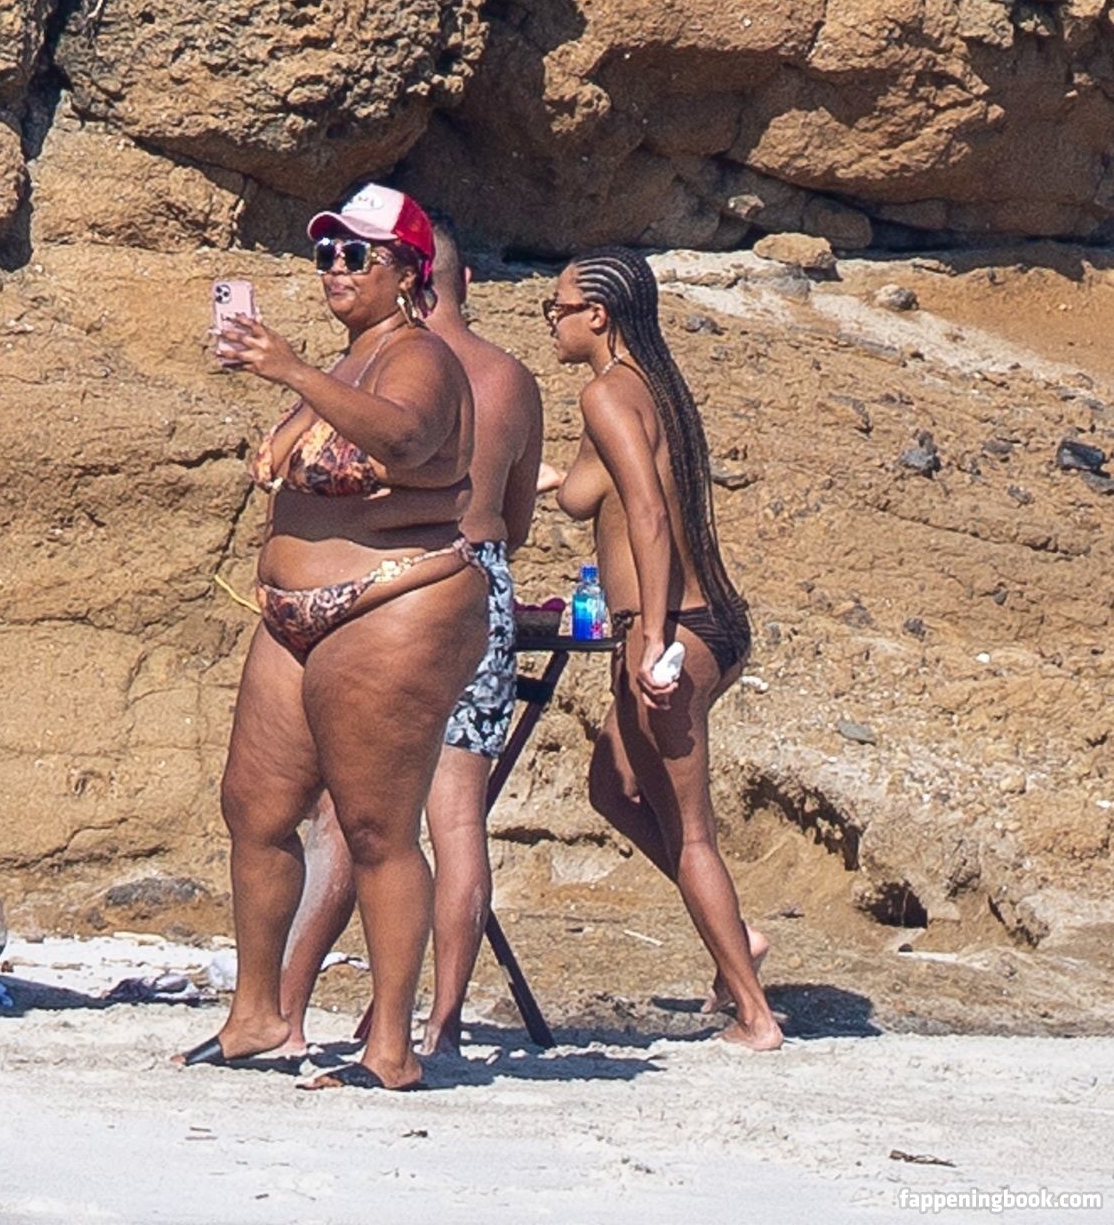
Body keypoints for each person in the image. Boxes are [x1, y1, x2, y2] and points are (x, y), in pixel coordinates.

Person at [179, 185, 483, 1092]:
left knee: (376, 827)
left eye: (358, 255)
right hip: (295, 612)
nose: (337, 269)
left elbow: (408, 435)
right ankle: (257, 1015)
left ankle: (391, 1046)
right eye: (327, 254)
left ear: (409, 274)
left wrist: (291, 372)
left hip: (395, 600)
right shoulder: (350, 360)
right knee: (254, 810)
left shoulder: (421, 356)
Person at [276, 214, 545, 1058]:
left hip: (383, 586)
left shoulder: (376, 368)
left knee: (347, 814)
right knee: (456, 819)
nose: (340, 267)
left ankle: (288, 1010)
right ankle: (441, 1023)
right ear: (469, 283)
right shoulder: (509, 378)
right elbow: (517, 520)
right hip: (475, 579)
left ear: (411, 276)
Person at [545, 246, 779, 1051]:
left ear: (597, 315)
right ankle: (737, 940)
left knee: (691, 833)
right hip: (709, 621)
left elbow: (645, 513)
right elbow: (588, 493)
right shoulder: (651, 388)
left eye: (556, 309)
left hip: (673, 629)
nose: (550, 322)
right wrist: (533, 477)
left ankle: (753, 1012)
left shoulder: (608, 393)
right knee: (612, 788)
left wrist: (649, 639)